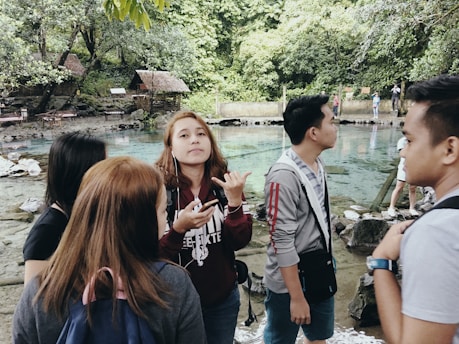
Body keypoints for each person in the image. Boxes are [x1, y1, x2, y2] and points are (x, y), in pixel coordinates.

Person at [13, 156, 206, 344]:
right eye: (164, 210)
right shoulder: (173, 285)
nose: (166, 217)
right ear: (145, 221)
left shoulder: (41, 290)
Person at [371, 74, 459, 343]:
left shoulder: (437, 232)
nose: (404, 153)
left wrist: (382, 261)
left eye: (409, 140)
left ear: (449, 149)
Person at [155, 111, 252, 344]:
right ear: (170, 148)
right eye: (184, 135)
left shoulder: (225, 184)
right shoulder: (158, 189)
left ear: (211, 142)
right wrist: (178, 230)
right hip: (172, 301)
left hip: (222, 299)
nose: (195, 140)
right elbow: (149, 256)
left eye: (201, 134)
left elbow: (239, 241)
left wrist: (236, 202)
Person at [263, 94, 337, 344]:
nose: (336, 128)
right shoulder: (282, 176)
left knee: (318, 337)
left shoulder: (316, 162)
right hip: (290, 281)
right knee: (280, 339)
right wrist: (296, 297)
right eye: (332, 122)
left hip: (319, 268)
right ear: (313, 133)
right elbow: (281, 241)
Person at [22, 132, 106, 284]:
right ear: (82, 172)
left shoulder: (83, 215)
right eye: (104, 167)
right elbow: (33, 299)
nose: (109, 175)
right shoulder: (47, 231)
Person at [387, 135, 419, 217]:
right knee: (399, 187)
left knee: (413, 188)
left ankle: (412, 208)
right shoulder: (402, 141)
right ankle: (391, 207)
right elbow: (403, 154)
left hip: (415, 166)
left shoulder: (418, 140)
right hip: (404, 167)